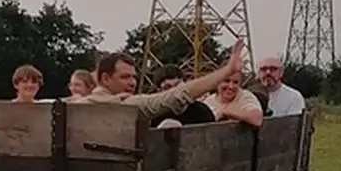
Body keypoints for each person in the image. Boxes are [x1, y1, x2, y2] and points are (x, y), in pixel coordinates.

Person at [78, 41, 245, 121]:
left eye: (134, 77)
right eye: (125, 77)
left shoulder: (77, 105)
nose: (132, 83)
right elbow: (178, 95)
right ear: (105, 79)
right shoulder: (127, 105)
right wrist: (226, 71)